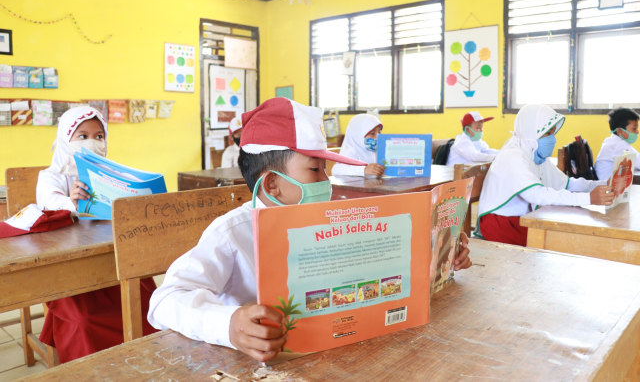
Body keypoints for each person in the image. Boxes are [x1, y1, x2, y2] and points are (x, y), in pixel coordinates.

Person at [148, 98, 473, 362]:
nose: (326, 182)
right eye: (315, 169)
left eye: (325, 169)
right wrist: (228, 324)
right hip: (256, 365)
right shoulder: (231, 234)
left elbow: (378, 269)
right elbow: (164, 301)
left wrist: (439, 254)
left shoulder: (334, 219)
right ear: (273, 184)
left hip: (341, 356)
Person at [36, 106, 157, 363]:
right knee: (84, 321)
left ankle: (141, 364)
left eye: (99, 136)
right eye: (82, 136)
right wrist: (72, 202)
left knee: (148, 298)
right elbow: (49, 204)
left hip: (110, 261)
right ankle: (93, 370)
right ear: (65, 139)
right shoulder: (50, 178)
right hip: (69, 271)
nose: (92, 142)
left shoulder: (110, 175)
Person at [477, 104, 614, 247]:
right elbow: (537, 195)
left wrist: (601, 184)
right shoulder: (514, 156)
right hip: (502, 223)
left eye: (553, 133)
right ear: (531, 131)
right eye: (547, 133)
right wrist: (589, 198)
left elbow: (566, 184)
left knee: (567, 237)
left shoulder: (534, 153)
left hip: (523, 218)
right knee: (562, 242)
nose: (552, 139)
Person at [594, 108, 640, 181]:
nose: (637, 132)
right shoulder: (618, 145)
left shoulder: (613, 141)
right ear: (620, 131)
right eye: (634, 129)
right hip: (608, 186)